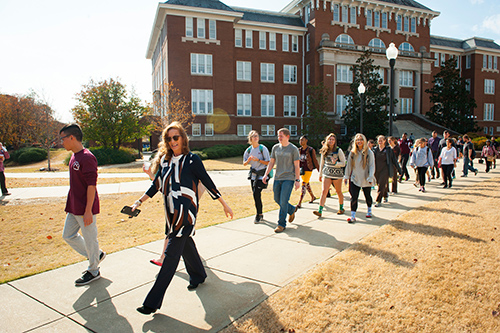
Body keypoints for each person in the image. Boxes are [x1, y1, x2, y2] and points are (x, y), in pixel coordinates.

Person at [132, 122, 233, 315]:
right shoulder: (165, 161)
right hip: (170, 213)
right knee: (186, 245)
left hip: (185, 214)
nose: (172, 141)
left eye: (175, 137)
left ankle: (151, 303)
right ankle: (198, 275)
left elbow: (207, 181)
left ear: (183, 139)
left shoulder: (192, 160)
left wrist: (223, 204)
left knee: (170, 257)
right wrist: (138, 202)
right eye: (168, 138)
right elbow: (156, 185)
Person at [59, 124, 106, 286]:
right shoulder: (74, 156)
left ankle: (94, 270)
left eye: (63, 138)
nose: (61, 142)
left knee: (90, 239)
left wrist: (88, 211)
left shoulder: (87, 157)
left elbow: (92, 186)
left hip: (85, 208)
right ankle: (96, 255)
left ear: (72, 137)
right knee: (68, 235)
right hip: (73, 207)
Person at [263, 128, 300, 233]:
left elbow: (297, 165)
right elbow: (271, 162)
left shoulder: (293, 149)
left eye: (281, 136)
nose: (279, 138)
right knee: (277, 199)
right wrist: (266, 174)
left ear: (287, 137)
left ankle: (281, 224)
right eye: (278, 136)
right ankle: (291, 209)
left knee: (283, 201)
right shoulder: (275, 148)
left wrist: (297, 180)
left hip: (289, 178)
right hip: (278, 177)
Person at [343, 134, 375, 223]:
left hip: (366, 178)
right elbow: (349, 165)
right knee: (354, 197)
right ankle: (353, 216)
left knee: (367, 196)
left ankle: (369, 210)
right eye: (357, 140)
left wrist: (370, 177)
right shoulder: (352, 153)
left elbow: (372, 166)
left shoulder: (369, 153)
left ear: (364, 141)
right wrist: (346, 176)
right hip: (355, 178)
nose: (359, 141)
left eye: (361, 140)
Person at [313, 133, 346, 217]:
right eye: (329, 139)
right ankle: (320, 210)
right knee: (324, 191)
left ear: (335, 141)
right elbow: (322, 163)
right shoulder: (325, 150)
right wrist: (320, 174)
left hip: (337, 175)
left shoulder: (339, 150)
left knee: (338, 191)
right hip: (327, 173)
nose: (331, 141)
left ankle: (341, 208)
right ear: (327, 140)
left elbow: (344, 163)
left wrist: (336, 163)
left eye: (333, 139)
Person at [243, 130, 270, 223]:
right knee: (256, 196)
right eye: (254, 136)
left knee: (256, 194)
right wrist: (248, 160)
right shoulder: (249, 150)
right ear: (250, 139)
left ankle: (258, 215)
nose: (256, 137)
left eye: (257, 136)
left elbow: (268, 162)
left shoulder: (263, 148)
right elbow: (244, 163)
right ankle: (260, 214)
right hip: (253, 176)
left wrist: (258, 160)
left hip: (262, 175)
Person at [373, 135, 401, 206]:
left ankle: (378, 201)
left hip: (385, 170)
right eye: (379, 140)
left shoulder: (388, 150)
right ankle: (385, 195)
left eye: (381, 139)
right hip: (376, 170)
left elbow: (394, 160)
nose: (380, 141)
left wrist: (399, 170)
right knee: (380, 184)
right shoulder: (375, 150)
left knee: (381, 184)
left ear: (385, 141)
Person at [296, 135, 319, 208]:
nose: (300, 141)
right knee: (307, 184)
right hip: (302, 170)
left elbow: (315, 160)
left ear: (306, 141)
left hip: (308, 169)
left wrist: (320, 171)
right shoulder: (299, 150)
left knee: (303, 184)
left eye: (302, 140)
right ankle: (313, 197)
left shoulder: (311, 150)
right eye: (300, 140)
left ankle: (299, 202)